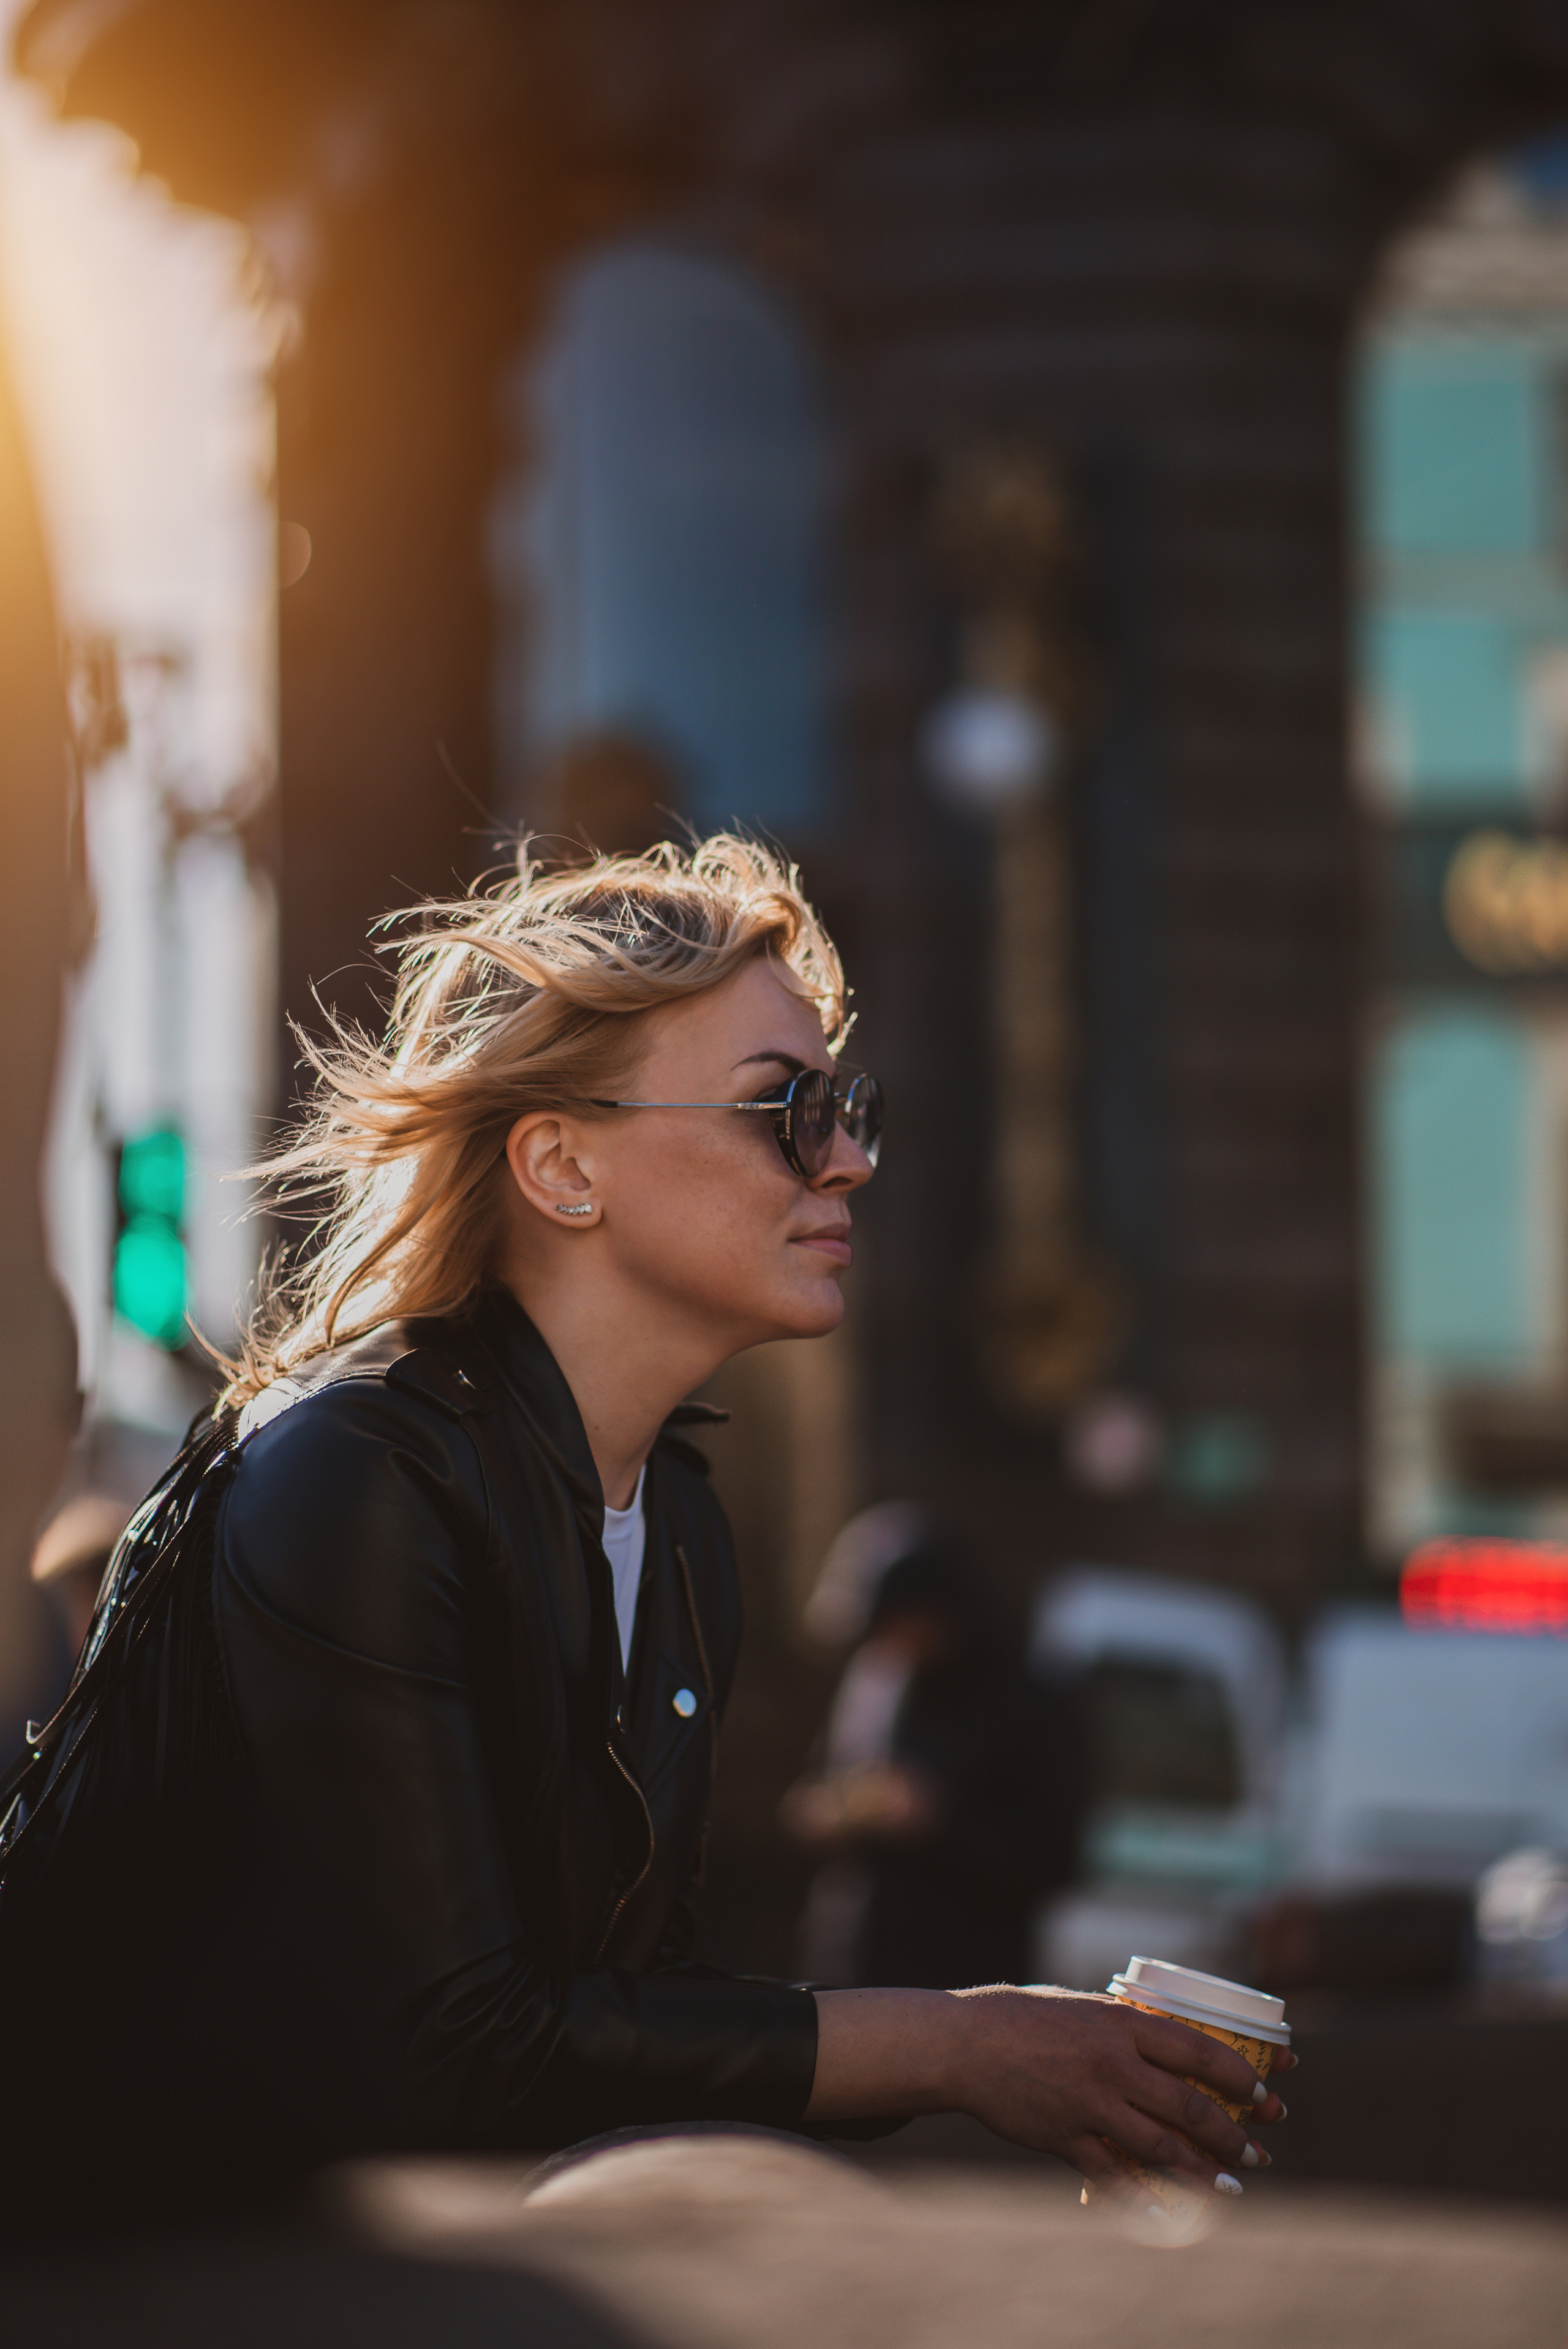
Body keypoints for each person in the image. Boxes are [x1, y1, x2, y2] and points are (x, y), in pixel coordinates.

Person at [0, 836, 1288, 2218]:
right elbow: (454, 2049)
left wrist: (1017, 2047)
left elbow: (627, 2013)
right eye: (782, 1107)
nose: (846, 1159)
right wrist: (964, 2045)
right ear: (562, 1165)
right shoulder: (350, 1475)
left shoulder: (671, 1518)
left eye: (845, 1105)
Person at [785, 1519, 1084, 1989]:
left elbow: (1057, 1857)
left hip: (964, 1988)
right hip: (851, 1969)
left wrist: (937, 1820)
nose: (890, 1645)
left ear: (943, 1610)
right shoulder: (878, 1681)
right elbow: (812, 1796)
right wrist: (838, 1810)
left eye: (897, 1624)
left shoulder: (1029, 1706)